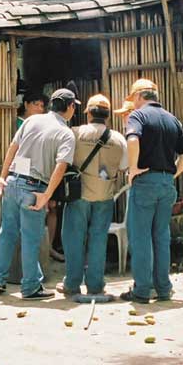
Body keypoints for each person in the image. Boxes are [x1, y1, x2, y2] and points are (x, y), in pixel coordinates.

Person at [0, 88, 79, 299]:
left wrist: (2, 177)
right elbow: (62, 165)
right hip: (34, 188)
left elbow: (13, 148)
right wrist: (47, 195)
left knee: (7, 232)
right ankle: (30, 287)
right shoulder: (66, 133)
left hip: (13, 181)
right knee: (31, 238)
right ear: (70, 107)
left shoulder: (31, 121)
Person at [120, 78, 183, 304]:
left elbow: (132, 139)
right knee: (161, 237)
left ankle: (141, 290)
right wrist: (172, 175)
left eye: (134, 99)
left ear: (140, 96)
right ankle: (163, 289)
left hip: (145, 182)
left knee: (140, 237)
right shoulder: (173, 120)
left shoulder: (138, 116)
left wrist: (133, 169)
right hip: (166, 185)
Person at [58, 94, 127, 297]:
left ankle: (72, 283)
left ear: (88, 113)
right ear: (107, 115)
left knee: (73, 238)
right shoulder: (118, 138)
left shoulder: (74, 133)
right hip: (105, 196)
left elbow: (63, 159)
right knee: (98, 239)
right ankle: (96, 284)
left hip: (79, 195)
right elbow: (124, 166)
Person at [16, 89, 63, 262]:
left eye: (42, 105)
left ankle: (48, 247)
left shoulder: (46, 124)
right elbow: (17, 152)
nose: (39, 108)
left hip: (48, 172)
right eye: (35, 104)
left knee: (52, 208)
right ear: (26, 104)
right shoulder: (18, 124)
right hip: (26, 175)